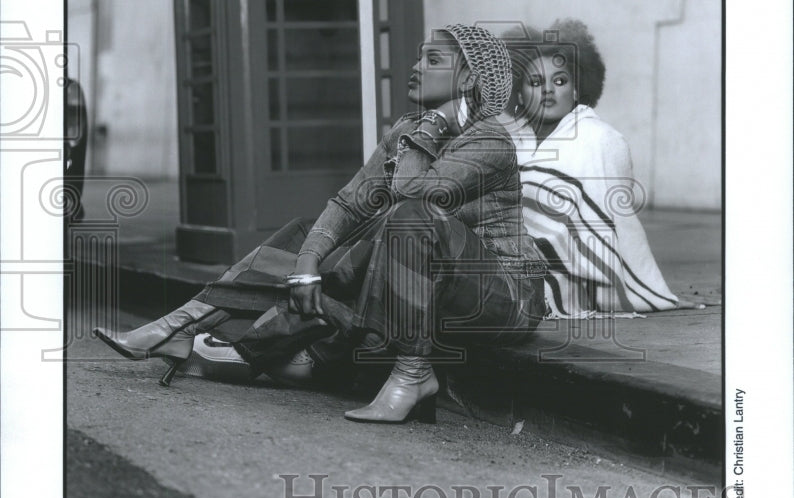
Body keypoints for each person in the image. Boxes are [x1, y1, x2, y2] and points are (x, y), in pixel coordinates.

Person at [95, 24, 546, 423]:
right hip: (420, 287)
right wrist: (308, 262)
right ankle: (186, 323)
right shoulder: (408, 128)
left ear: (467, 78)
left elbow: (413, 196)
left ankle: (410, 375)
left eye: (431, 59)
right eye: (418, 55)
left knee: (406, 221)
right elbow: (350, 203)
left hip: (502, 293)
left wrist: (425, 131)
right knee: (302, 233)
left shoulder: (488, 139)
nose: (414, 66)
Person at [498, 19, 684, 318]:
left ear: (576, 90)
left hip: (559, 279)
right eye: (535, 82)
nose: (548, 90)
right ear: (518, 94)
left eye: (560, 81)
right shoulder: (511, 144)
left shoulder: (600, 139)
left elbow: (615, 222)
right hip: (507, 260)